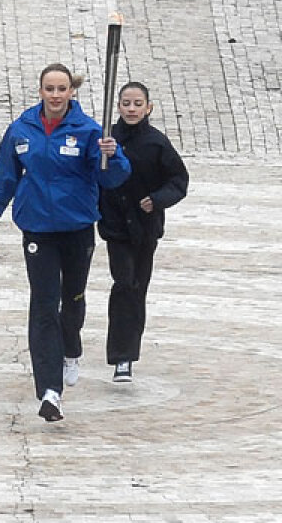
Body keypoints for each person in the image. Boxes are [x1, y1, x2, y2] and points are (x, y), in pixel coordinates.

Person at [0, 63, 131, 421]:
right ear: (41, 91)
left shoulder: (89, 131)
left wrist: (114, 155)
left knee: (72, 298)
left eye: (62, 89)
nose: (56, 95)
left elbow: (111, 180)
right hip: (37, 228)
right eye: (50, 88)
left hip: (77, 227)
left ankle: (71, 347)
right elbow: (6, 173)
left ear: (71, 92)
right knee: (44, 305)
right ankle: (50, 391)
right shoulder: (22, 129)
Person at [98, 81, 188, 383]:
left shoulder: (157, 143)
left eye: (137, 103)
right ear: (118, 106)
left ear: (148, 107)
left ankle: (128, 355)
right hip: (115, 226)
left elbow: (178, 180)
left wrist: (158, 200)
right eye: (126, 103)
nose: (132, 109)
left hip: (146, 229)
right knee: (123, 283)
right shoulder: (105, 138)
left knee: (138, 287)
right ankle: (120, 355)